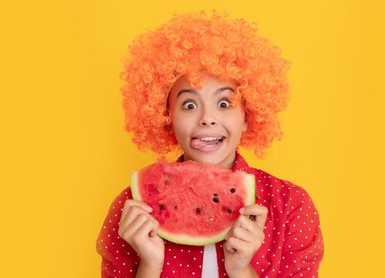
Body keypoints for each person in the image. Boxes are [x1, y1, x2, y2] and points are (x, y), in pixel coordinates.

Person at [96, 12, 324, 278]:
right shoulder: (132, 209)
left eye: (224, 103)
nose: (207, 119)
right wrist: (148, 266)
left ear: (248, 116)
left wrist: (241, 271)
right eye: (189, 105)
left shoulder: (291, 207)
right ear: (167, 118)